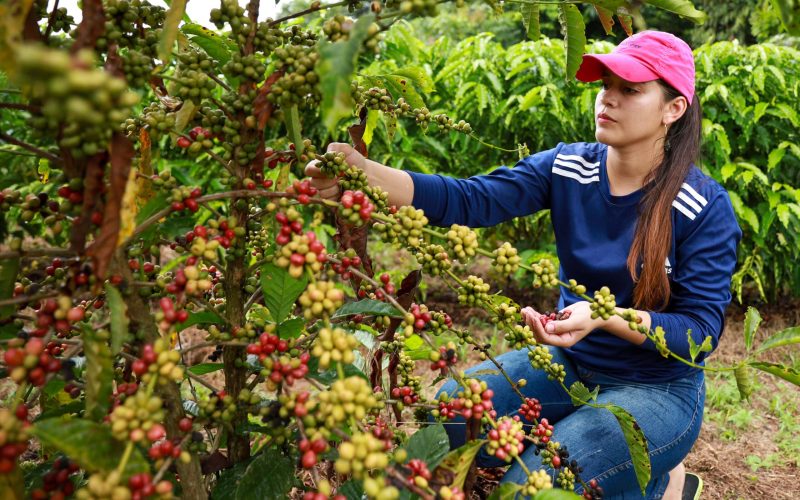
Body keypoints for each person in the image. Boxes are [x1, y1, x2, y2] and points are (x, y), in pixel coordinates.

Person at [305, 31, 741, 499]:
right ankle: (633, 468)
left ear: (673, 109)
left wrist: (603, 317)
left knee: (531, 485)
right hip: (570, 365)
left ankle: (658, 482)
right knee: (448, 415)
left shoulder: (703, 207)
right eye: (605, 85)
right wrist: (362, 174)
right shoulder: (568, 168)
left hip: (658, 389)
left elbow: (698, 335)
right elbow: (469, 199)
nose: (608, 99)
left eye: (630, 90)